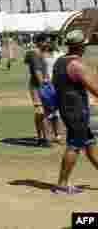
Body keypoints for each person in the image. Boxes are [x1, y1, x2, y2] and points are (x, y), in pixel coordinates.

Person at [51, 30, 98, 195]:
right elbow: (95, 88)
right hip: (77, 111)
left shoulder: (59, 61)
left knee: (90, 144)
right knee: (75, 145)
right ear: (80, 46)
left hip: (67, 108)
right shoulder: (77, 65)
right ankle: (62, 185)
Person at [25, 40, 53, 146]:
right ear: (40, 42)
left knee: (40, 112)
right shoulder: (34, 54)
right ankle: (44, 139)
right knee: (42, 112)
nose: (48, 44)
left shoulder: (38, 53)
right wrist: (44, 86)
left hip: (41, 85)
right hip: (38, 86)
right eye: (46, 42)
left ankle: (41, 137)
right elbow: (37, 72)